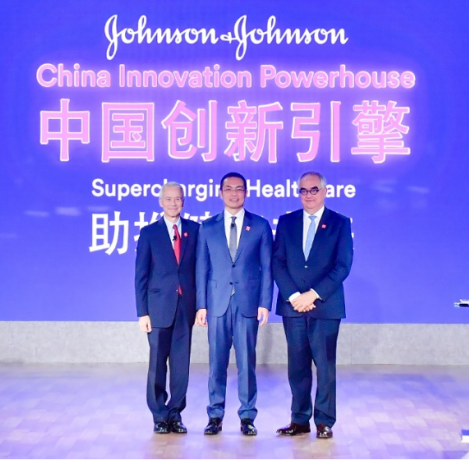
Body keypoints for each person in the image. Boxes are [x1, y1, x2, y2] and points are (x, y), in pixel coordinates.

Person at [272, 171, 354, 439]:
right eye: (303, 191)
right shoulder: (286, 222)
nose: (308, 195)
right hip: (293, 307)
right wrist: (294, 296)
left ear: (324, 191)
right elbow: (277, 262)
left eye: (313, 190)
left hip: (325, 306)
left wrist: (313, 295)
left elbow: (343, 266)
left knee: (325, 366)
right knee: (297, 366)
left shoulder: (340, 223)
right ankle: (299, 420)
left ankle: (324, 421)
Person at [195, 172, 273, 436]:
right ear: (220, 193)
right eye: (228, 189)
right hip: (217, 304)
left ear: (246, 193)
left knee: (246, 363)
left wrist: (265, 302)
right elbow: (201, 269)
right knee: (216, 363)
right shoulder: (207, 227)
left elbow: (267, 268)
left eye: (239, 189)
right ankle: (215, 415)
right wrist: (201, 305)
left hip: (247, 303)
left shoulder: (260, 226)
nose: (234, 193)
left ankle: (247, 416)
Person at [135, 182, 199, 434]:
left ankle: (175, 414)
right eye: (169, 199)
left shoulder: (195, 230)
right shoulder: (149, 233)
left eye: (178, 199)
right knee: (157, 364)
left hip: (186, 307)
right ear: (161, 202)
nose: (173, 203)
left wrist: (201, 306)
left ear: (184, 202)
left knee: (181, 364)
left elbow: (200, 271)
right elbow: (141, 276)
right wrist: (142, 312)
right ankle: (159, 415)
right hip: (158, 308)